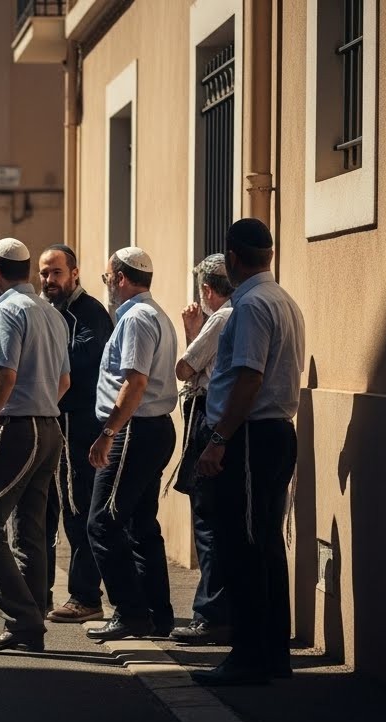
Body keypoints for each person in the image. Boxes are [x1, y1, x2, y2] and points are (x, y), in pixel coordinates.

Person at [191, 218, 305, 686]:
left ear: (233, 259)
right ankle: (269, 654)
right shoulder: (280, 299)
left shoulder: (253, 305)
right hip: (265, 435)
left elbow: (249, 376)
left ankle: (250, 656)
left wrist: (219, 440)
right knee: (262, 544)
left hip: (252, 437)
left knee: (245, 547)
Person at [0, 237, 71, 653]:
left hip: (16, 429)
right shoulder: (50, 313)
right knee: (29, 529)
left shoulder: (8, 310)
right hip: (48, 428)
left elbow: (2, 377)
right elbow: (64, 382)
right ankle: (33, 613)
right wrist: (41, 408)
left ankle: (23, 620)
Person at [84, 246, 180, 642]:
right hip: (149, 429)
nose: (107, 286)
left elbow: (135, 382)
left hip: (134, 430)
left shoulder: (137, 318)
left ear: (121, 279)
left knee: (102, 523)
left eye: (108, 279)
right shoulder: (153, 313)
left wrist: (108, 433)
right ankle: (157, 614)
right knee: (141, 525)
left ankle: (130, 612)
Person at [37, 243, 113, 624]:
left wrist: (39, 354)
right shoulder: (51, 312)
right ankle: (47, 592)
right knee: (61, 509)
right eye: (44, 273)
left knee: (79, 507)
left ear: (75, 273)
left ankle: (86, 597)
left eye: (56, 273)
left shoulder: (89, 313)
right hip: (57, 423)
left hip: (81, 425)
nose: (49, 280)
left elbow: (83, 360)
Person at [168, 254, 236, 644]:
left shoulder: (221, 317)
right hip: (223, 421)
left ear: (208, 291)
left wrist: (191, 329)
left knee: (208, 523)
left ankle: (211, 615)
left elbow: (185, 368)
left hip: (210, 421)